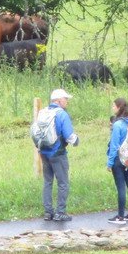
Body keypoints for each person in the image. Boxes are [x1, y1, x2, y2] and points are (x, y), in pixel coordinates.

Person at [39, 88, 79, 222]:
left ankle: (48, 212)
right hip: (58, 152)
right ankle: (60, 212)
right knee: (63, 183)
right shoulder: (62, 114)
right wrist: (76, 141)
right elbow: (69, 135)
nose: (67, 101)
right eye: (65, 99)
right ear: (59, 100)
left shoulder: (43, 112)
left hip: (43, 152)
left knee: (48, 182)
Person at [106, 97, 128, 223]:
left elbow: (114, 145)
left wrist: (110, 163)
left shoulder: (118, 124)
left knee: (121, 186)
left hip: (119, 159)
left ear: (119, 107)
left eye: (114, 106)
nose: (113, 108)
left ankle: (120, 216)